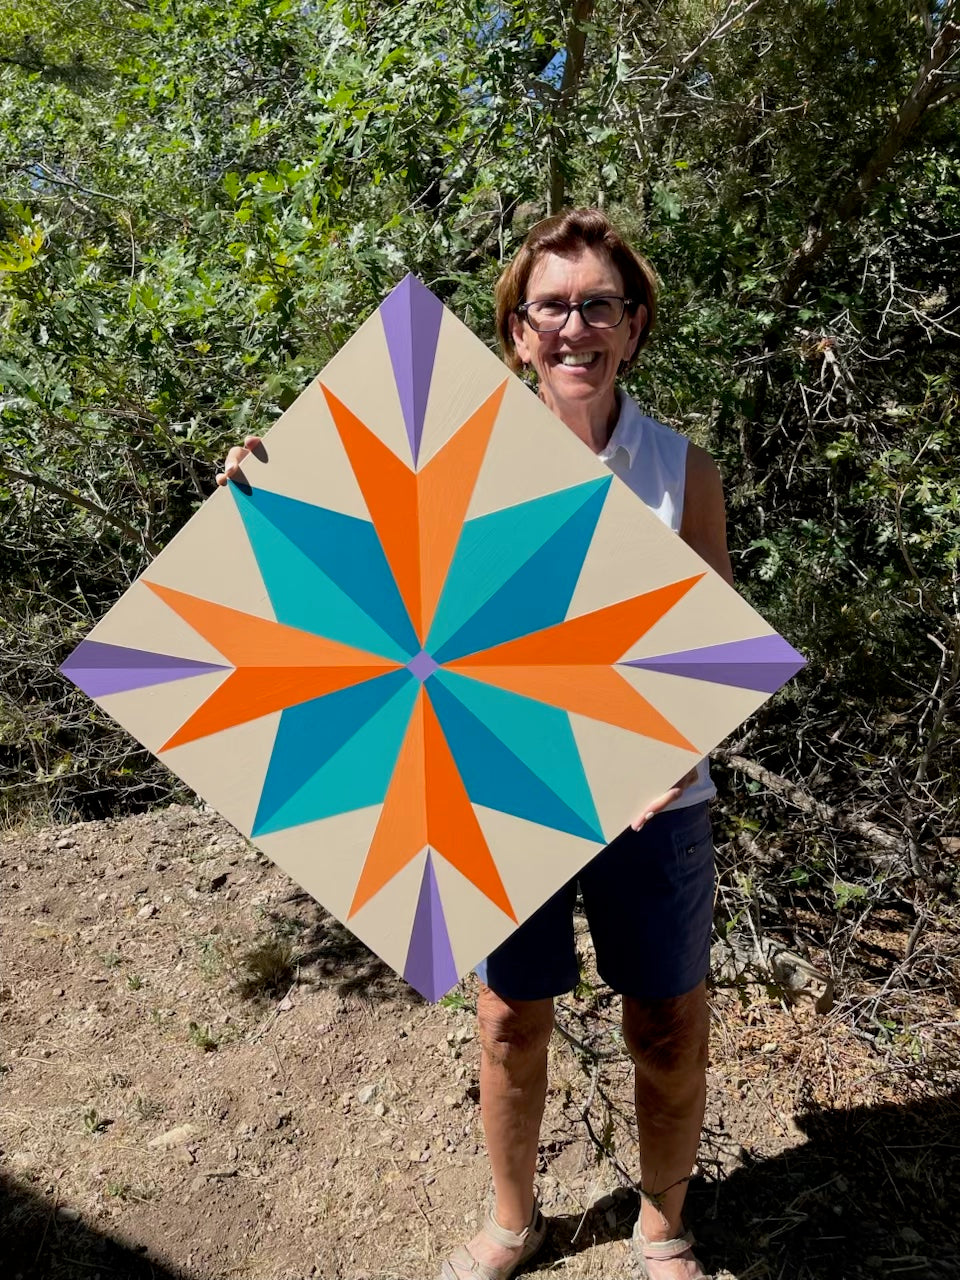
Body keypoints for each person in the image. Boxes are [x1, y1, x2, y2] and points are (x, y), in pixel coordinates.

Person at [218, 209, 733, 1280]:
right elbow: (352, 576)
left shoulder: (686, 473)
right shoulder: (446, 452)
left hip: (658, 804)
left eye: (600, 304)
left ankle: (662, 1222)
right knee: (508, 1020)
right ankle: (514, 1220)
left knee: (669, 1024)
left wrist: (675, 749)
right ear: (516, 331)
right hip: (499, 789)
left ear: (635, 328)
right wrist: (269, 487)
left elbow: (712, 654)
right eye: (552, 305)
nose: (576, 326)